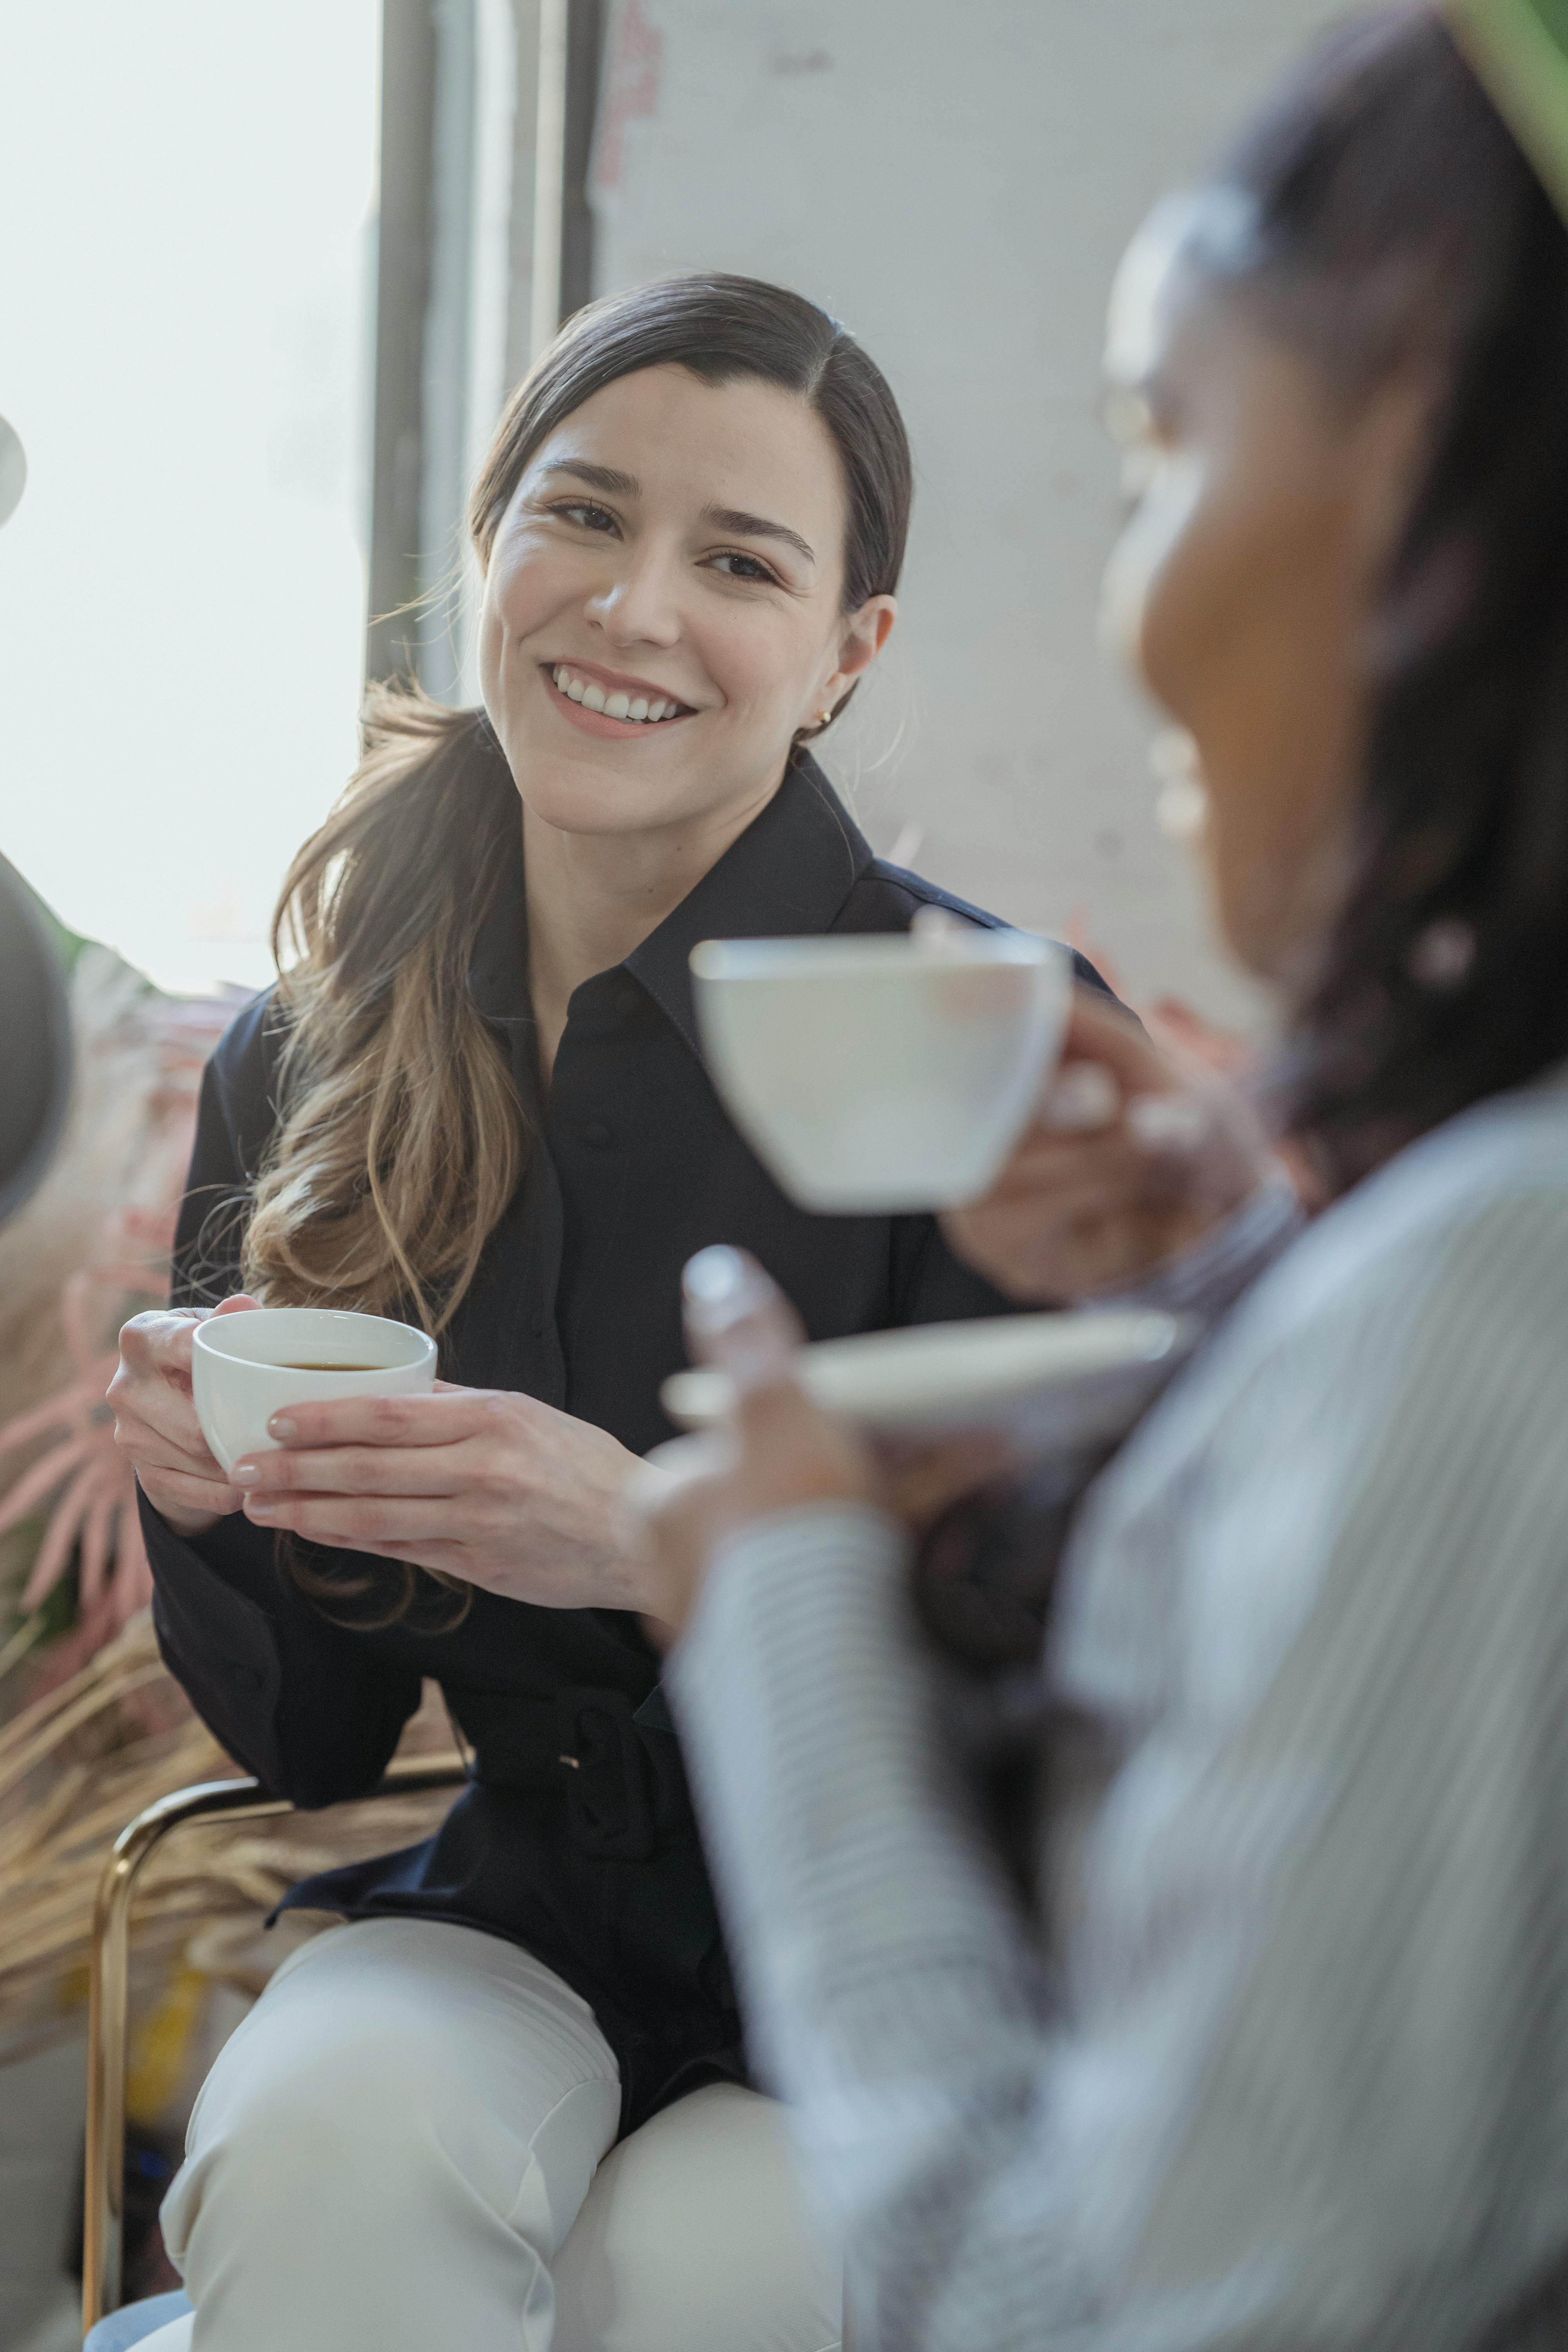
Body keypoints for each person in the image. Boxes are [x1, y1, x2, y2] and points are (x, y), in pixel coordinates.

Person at [642, 13, 1568, 2347]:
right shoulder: (1430, 1261)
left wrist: (784, 1617)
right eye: (574, 511)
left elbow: (1075, 2312)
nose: (1122, 604)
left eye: (1159, 439)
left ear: (1440, 451)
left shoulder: (1493, 1287)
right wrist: (1241, 1298)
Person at [107, 274, 1105, 2352]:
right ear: (491, 550)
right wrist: (206, 1500)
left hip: (912, 1956)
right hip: (527, 1914)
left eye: (738, 560)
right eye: (582, 517)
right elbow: (314, 1739)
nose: (636, 609)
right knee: (316, 2137)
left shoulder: (985, 1038)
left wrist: (666, 1552)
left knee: (698, 2275)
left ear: (846, 656)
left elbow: (1099, 1678)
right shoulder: (314, 1049)